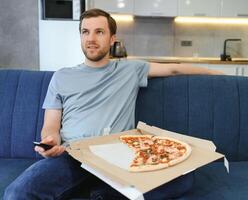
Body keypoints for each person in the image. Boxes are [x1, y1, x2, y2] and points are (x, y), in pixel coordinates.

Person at [3, 8, 222, 200]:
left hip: (121, 158)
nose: (91, 38)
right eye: (85, 32)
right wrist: (50, 140)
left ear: (112, 39)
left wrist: (215, 73)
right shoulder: (62, 76)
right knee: (17, 194)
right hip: (73, 156)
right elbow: (51, 125)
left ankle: (103, 194)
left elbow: (175, 69)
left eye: (99, 32)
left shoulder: (130, 70)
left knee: (185, 177)